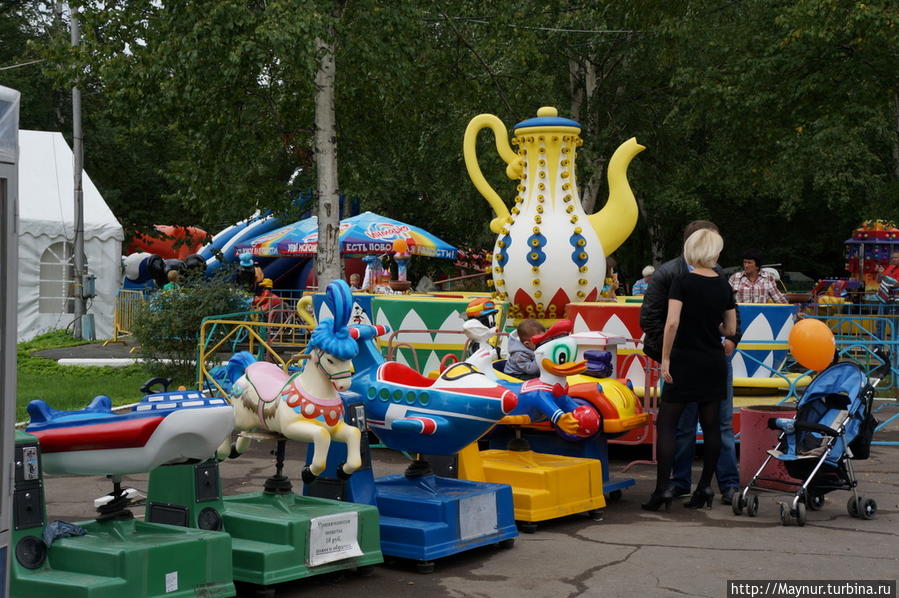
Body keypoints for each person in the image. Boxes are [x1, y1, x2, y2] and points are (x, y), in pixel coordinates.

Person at [640, 220, 742, 505]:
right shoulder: (719, 280)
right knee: (710, 426)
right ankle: (699, 487)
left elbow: (670, 323)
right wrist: (722, 336)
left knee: (674, 425)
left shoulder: (681, 280)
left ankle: (670, 487)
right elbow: (731, 325)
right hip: (711, 360)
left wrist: (669, 356)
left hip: (682, 360)